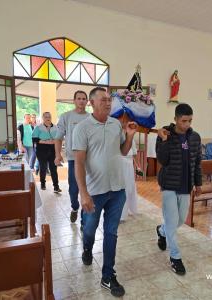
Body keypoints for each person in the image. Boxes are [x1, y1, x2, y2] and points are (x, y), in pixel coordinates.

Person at [73, 87, 137, 298]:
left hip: (117, 190)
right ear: (92, 103)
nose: (108, 103)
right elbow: (79, 164)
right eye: (103, 100)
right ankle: (87, 249)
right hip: (95, 192)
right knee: (89, 230)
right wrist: (83, 193)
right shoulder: (82, 128)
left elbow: (123, 151)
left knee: (111, 233)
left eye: (109, 100)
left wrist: (129, 136)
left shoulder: (115, 124)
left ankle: (108, 275)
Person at [155, 103, 202, 275]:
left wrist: (199, 183)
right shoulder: (165, 134)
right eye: (184, 121)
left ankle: (161, 230)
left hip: (186, 186)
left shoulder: (195, 137)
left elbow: (197, 163)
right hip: (168, 185)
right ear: (175, 119)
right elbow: (162, 160)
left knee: (179, 221)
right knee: (172, 222)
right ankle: (175, 257)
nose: (187, 124)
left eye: (190, 121)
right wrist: (165, 141)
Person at [55, 91, 89, 223]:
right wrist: (58, 155)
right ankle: (75, 207)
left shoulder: (91, 118)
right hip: (73, 160)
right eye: (79, 99)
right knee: (73, 189)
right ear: (74, 101)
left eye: (84, 99)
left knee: (87, 190)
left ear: (87, 102)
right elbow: (58, 138)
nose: (81, 101)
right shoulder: (66, 117)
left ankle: (84, 220)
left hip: (89, 160)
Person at [32, 112, 61, 193]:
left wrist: (55, 143)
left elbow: (59, 138)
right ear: (42, 118)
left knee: (53, 169)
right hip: (41, 150)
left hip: (53, 150)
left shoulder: (55, 127)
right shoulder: (38, 127)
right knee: (43, 168)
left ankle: (56, 187)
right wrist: (46, 142)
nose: (47, 118)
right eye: (45, 117)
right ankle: (43, 184)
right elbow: (34, 139)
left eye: (49, 116)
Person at [120, 132, 139, 221]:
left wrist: (138, 165)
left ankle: (129, 209)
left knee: (129, 188)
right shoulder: (117, 138)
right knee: (122, 189)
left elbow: (134, 153)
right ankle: (121, 214)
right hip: (120, 164)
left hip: (129, 165)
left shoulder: (131, 140)